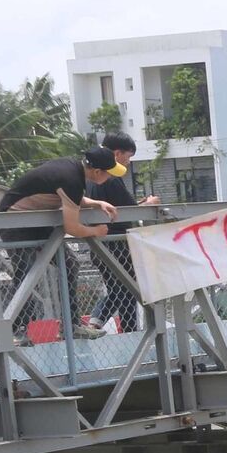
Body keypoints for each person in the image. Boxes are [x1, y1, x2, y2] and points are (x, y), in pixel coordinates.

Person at [0, 148, 121, 342]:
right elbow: (72, 227)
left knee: (69, 263)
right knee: (26, 273)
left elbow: (69, 198)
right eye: (109, 173)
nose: (111, 177)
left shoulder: (72, 169)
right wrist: (96, 231)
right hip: (14, 220)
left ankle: (71, 325)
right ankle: (14, 331)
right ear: (97, 172)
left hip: (36, 220)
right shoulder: (71, 178)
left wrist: (96, 203)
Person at [86, 131, 160, 334]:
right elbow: (128, 210)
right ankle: (117, 327)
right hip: (117, 243)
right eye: (128, 157)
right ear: (117, 154)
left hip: (100, 243)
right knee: (127, 288)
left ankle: (109, 325)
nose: (127, 163)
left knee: (121, 289)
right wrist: (148, 204)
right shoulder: (109, 177)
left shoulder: (91, 175)